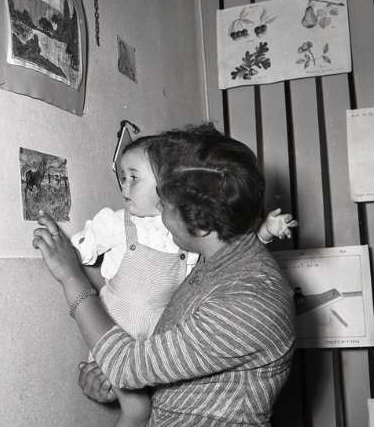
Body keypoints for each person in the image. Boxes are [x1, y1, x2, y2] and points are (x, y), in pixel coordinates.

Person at [33, 124, 296, 426]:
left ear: (200, 224)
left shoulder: (248, 302)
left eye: (165, 205)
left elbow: (126, 365)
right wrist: (115, 386)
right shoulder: (219, 263)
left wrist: (71, 277)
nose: (158, 211)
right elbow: (167, 365)